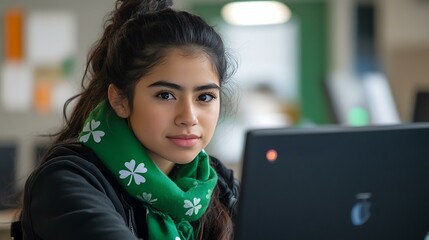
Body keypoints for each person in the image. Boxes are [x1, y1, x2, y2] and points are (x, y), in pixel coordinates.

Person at [13, 0, 239, 239]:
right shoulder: (66, 181)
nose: (189, 117)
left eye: (205, 96)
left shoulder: (218, 183)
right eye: (166, 95)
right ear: (121, 100)